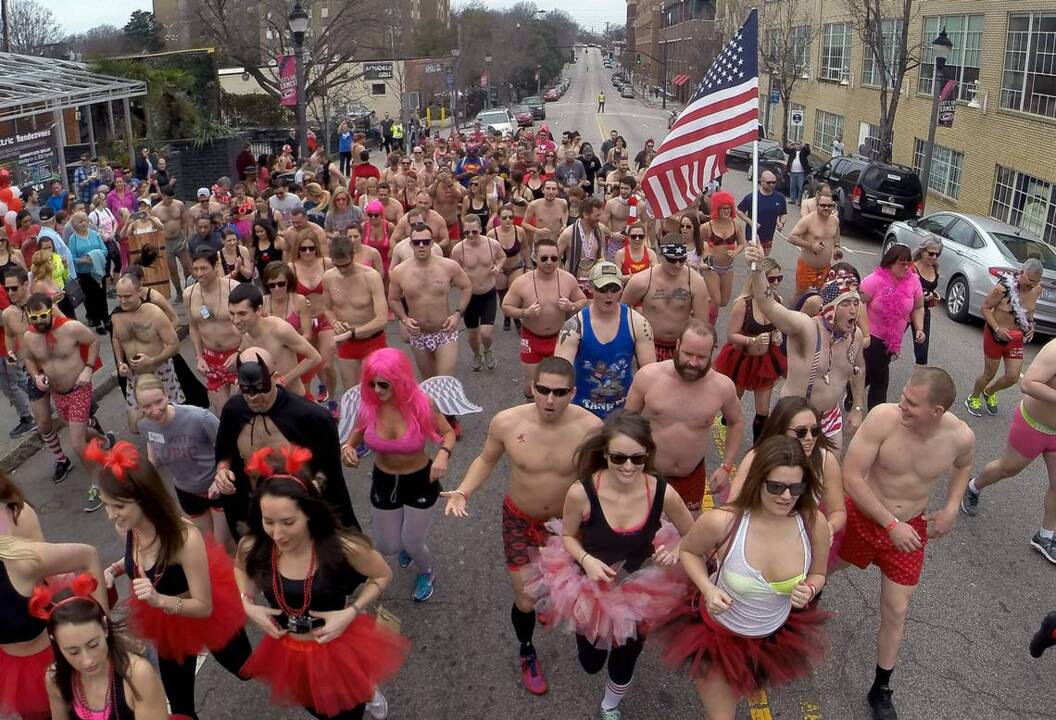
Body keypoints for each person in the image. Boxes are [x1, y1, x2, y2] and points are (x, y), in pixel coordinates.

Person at [440, 357, 601, 693]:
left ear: (573, 392)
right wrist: (464, 491)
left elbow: (602, 478)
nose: (550, 400)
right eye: (543, 390)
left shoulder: (591, 429)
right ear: (533, 387)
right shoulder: (507, 422)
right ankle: (527, 650)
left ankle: (549, 603)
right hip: (519, 520)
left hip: (566, 527)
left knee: (561, 587)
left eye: (559, 392)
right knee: (526, 600)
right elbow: (486, 459)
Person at [526, 412, 693, 719]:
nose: (628, 467)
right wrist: (586, 560)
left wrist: (676, 550)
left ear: (647, 455)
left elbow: (693, 534)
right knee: (591, 662)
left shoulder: (661, 492)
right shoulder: (581, 492)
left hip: (640, 590)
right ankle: (590, 654)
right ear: (605, 454)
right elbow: (569, 537)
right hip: (589, 587)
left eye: (637, 458)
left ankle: (610, 705)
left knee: (625, 658)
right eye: (618, 458)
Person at [653, 436, 831, 720]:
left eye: (795, 487)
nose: (786, 496)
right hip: (718, 638)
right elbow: (688, 551)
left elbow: (819, 573)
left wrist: (810, 589)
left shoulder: (813, 524)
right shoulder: (723, 522)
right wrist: (707, 589)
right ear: (758, 481)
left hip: (772, 639)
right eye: (776, 486)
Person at [837, 367, 974, 720]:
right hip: (865, 515)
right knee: (832, 565)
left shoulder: (960, 437)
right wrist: (889, 522)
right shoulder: (884, 419)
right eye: (904, 396)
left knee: (896, 610)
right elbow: (851, 476)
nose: (902, 404)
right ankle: (807, 597)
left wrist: (951, 508)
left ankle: (881, 687)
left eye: (912, 402)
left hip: (909, 530)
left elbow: (963, 466)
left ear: (937, 412)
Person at [235, 445, 407, 719]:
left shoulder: (344, 546)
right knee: (316, 708)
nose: (277, 533)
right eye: (269, 521)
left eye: (288, 522)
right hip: (290, 650)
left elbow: (382, 574)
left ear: (310, 513)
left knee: (346, 711)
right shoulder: (254, 545)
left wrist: (351, 611)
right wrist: (247, 603)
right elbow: (240, 567)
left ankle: (367, 688)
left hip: (338, 645)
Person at [88, 439, 251, 719]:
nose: (110, 514)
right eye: (106, 505)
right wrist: (115, 569)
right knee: (180, 706)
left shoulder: (184, 538)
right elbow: (141, 559)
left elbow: (204, 606)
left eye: (118, 506)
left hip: (204, 613)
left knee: (246, 669)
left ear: (144, 499)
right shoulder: (126, 528)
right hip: (168, 625)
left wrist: (159, 599)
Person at [338, 348, 456, 604]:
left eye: (383, 384)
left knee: (413, 543)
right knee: (389, 546)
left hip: (420, 481)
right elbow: (356, 433)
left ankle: (426, 572)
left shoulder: (422, 404)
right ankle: (404, 544)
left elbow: (449, 433)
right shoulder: (368, 406)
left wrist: (443, 455)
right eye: (371, 384)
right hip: (384, 480)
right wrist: (347, 447)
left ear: (400, 380)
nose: (377, 390)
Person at [214, 347, 359, 532]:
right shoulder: (233, 411)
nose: (254, 397)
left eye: (260, 389)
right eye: (246, 391)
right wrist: (222, 471)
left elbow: (329, 474)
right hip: (255, 512)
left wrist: (311, 490)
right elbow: (224, 452)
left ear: (275, 378)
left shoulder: (310, 417)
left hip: (302, 515)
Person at [745, 244, 865, 448]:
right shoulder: (807, 328)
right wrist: (757, 270)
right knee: (784, 474)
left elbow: (858, 369)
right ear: (830, 307)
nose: (853, 310)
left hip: (830, 419)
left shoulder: (855, 336)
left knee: (826, 476)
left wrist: (858, 406)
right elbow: (769, 305)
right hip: (795, 418)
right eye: (846, 304)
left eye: (855, 303)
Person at [626, 321, 743, 512]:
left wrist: (726, 467)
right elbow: (626, 424)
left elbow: (736, 421)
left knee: (689, 534)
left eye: (701, 357)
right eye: (688, 354)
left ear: (712, 352)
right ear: (678, 345)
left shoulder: (722, 387)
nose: (693, 362)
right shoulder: (648, 377)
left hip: (691, 478)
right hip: (646, 473)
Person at [962, 337, 1056, 563]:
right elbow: (1029, 383)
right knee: (1007, 469)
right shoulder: (1054, 349)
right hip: (1033, 425)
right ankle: (974, 486)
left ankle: (1045, 536)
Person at [21, 291, 114, 511]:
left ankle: (98, 485)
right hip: (57, 394)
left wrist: (88, 369)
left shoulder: (71, 328)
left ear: (50, 310)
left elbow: (93, 341)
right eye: (33, 318)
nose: (38, 322)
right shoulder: (29, 336)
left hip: (79, 389)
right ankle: (105, 439)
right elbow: (28, 358)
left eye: (42, 316)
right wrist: (36, 376)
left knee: (76, 442)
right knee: (79, 431)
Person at [0, 536, 106, 720]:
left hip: (63, 660)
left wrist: (102, 626)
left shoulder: (18, 562)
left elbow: (88, 556)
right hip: (16, 678)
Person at [729, 397, 847, 550]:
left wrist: (829, 528)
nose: (810, 438)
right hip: (757, 534)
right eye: (801, 432)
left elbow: (838, 510)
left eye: (815, 430)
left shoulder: (826, 461)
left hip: (799, 539)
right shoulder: (756, 457)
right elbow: (734, 505)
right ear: (781, 429)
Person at [135, 375, 231, 547]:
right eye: (147, 406)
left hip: (216, 486)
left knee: (222, 545)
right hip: (187, 492)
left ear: (167, 395)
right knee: (208, 547)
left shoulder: (198, 417)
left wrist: (221, 474)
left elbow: (228, 446)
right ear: (139, 408)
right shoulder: (145, 425)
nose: (155, 411)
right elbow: (153, 447)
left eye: (158, 402)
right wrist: (143, 477)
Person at [556, 261, 656, 419]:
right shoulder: (574, 327)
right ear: (590, 288)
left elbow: (650, 376)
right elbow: (560, 375)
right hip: (582, 413)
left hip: (623, 413)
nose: (609, 295)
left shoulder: (638, 323)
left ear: (622, 288)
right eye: (602, 289)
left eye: (614, 289)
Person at [502, 236, 588, 398]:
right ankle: (533, 413)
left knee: (560, 383)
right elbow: (506, 307)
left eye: (554, 258)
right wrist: (525, 313)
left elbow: (583, 300)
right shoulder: (522, 282)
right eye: (544, 258)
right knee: (531, 385)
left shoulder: (567, 279)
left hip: (560, 338)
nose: (549, 262)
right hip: (532, 338)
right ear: (535, 257)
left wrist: (572, 306)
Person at [387, 223, 472, 379]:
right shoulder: (400, 271)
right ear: (410, 244)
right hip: (419, 335)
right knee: (429, 383)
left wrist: (457, 314)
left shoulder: (448, 266)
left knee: (443, 382)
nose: (421, 246)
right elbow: (393, 299)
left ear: (432, 243)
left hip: (445, 331)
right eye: (417, 242)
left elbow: (466, 287)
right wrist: (404, 319)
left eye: (426, 241)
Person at [965, 258, 1043, 417]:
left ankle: (989, 392)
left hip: (1015, 339)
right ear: (1021, 273)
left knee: (1013, 377)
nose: (1032, 285)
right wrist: (997, 328)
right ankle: (972, 397)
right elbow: (985, 308)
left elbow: (1029, 310)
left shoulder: (1036, 289)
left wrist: (1031, 324)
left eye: (1036, 282)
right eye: (1029, 280)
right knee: (989, 373)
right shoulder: (1002, 289)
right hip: (995, 336)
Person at [111, 273, 184, 430]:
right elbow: (116, 338)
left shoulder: (154, 313)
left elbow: (174, 345)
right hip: (134, 375)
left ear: (139, 292)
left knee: (170, 418)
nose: (122, 301)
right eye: (119, 296)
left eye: (127, 296)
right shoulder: (116, 315)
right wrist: (120, 363)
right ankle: (154, 444)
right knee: (136, 425)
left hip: (160, 371)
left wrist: (152, 360)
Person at [620, 240, 711, 362]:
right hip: (649, 344)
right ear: (661, 256)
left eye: (682, 260)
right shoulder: (642, 280)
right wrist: (635, 333)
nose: (677, 265)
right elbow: (620, 312)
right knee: (651, 379)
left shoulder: (695, 282)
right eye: (672, 260)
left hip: (681, 345)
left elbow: (701, 323)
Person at [860, 243, 925, 409]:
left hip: (892, 340)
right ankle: (877, 415)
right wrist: (863, 331)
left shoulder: (914, 283)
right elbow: (857, 301)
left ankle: (852, 391)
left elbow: (918, 307)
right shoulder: (875, 280)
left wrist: (919, 328)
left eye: (909, 263)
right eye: (902, 263)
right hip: (871, 337)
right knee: (881, 378)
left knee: (870, 374)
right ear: (890, 263)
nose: (906, 267)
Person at [229, 283, 322, 397]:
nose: (236, 320)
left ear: (258, 310)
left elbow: (314, 358)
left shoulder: (279, 329)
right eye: (232, 313)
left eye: (242, 314)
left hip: (293, 399)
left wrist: (285, 380)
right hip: (266, 403)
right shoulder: (241, 330)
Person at [321, 233, 388, 390]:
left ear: (354, 255)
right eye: (338, 265)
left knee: (375, 390)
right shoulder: (329, 277)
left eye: (346, 265)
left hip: (372, 341)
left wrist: (352, 332)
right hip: (347, 344)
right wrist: (334, 322)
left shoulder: (370, 276)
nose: (342, 270)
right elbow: (326, 307)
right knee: (351, 393)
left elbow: (382, 319)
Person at [185, 247, 242, 413]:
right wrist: (199, 357)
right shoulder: (189, 294)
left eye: (204, 268)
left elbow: (250, 326)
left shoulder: (234, 288)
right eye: (195, 269)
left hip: (237, 355)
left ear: (216, 266)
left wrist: (240, 353)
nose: (199, 273)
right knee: (223, 414)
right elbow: (194, 327)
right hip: (211, 360)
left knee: (247, 411)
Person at [452, 214, 505, 371]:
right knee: (473, 333)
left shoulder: (492, 244)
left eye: (474, 232)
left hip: (488, 293)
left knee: (486, 333)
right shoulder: (458, 249)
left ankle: (488, 350)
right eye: (466, 232)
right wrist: (461, 277)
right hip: (470, 297)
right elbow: (453, 271)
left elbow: (502, 256)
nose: (470, 236)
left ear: (480, 229)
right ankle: (477, 354)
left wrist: (498, 266)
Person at [700, 192, 746, 319]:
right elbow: (698, 244)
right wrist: (706, 253)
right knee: (716, 300)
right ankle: (707, 323)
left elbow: (743, 244)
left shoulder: (736, 225)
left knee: (724, 302)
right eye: (723, 208)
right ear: (717, 209)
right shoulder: (707, 226)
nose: (726, 211)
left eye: (728, 208)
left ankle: (703, 305)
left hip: (728, 268)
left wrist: (736, 252)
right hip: (711, 268)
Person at [789, 188, 842, 296]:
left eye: (829, 205)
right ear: (817, 205)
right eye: (823, 205)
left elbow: (836, 234)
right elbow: (792, 237)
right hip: (807, 266)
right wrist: (810, 246)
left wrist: (836, 247)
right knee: (800, 295)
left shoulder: (835, 220)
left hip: (825, 268)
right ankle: (793, 312)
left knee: (821, 296)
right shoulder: (808, 220)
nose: (826, 208)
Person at [66, 211, 110, 333]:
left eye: (85, 220)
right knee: (91, 298)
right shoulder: (73, 239)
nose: (84, 223)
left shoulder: (95, 234)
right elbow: (72, 258)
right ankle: (97, 323)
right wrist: (84, 260)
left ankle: (106, 319)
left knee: (102, 296)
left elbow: (105, 250)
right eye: (80, 221)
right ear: (74, 224)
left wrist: (95, 256)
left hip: (99, 271)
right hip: (85, 274)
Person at [736, 170, 787, 258]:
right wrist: (751, 222)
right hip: (753, 235)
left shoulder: (780, 197)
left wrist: (781, 223)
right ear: (761, 182)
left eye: (774, 182)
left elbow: (783, 213)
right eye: (768, 182)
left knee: (763, 259)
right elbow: (739, 210)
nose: (771, 185)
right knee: (754, 261)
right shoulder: (752, 197)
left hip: (768, 236)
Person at [150, 186, 192, 291]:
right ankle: (178, 291)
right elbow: (154, 229)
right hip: (166, 243)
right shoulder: (155, 210)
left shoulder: (179, 205)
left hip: (179, 239)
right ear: (163, 196)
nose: (170, 201)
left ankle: (189, 288)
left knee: (187, 267)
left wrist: (187, 237)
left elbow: (186, 221)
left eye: (172, 198)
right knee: (172, 269)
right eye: (168, 198)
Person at [910, 238, 941, 366]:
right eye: (931, 253)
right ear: (922, 251)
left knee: (922, 354)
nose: (934, 257)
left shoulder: (935, 267)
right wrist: (919, 296)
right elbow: (902, 291)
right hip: (907, 311)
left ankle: (918, 385)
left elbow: (930, 286)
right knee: (889, 348)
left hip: (924, 312)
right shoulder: (912, 268)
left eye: (937, 255)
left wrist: (933, 295)